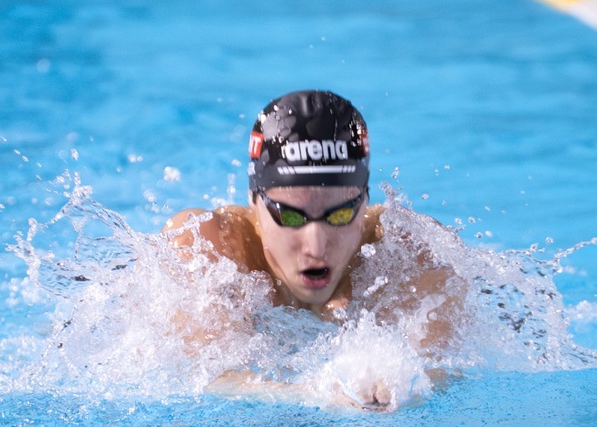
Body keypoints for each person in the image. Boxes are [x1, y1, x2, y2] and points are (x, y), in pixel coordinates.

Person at [163, 89, 460, 358]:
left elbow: (437, 371)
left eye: (340, 215)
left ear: (365, 202)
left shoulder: (409, 254)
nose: (316, 247)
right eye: (291, 216)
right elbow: (211, 376)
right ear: (254, 200)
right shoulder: (203, 245)